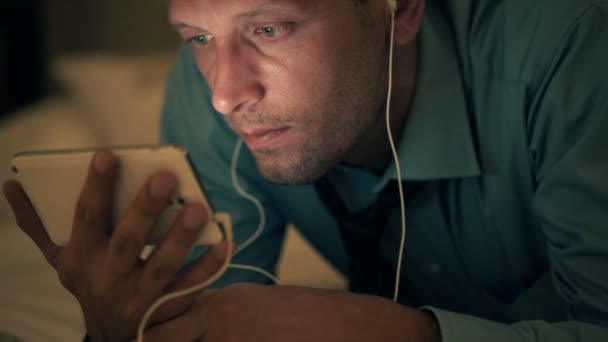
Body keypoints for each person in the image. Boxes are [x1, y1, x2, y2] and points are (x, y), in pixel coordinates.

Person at [4, 0, 608, 340]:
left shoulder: (574, 57)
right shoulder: (205, 95)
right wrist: (129, 331)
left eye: (268, 28)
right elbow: (212, 320)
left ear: (399, 12)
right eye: (197, 37)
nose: (224, 95)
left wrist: (393, 335)